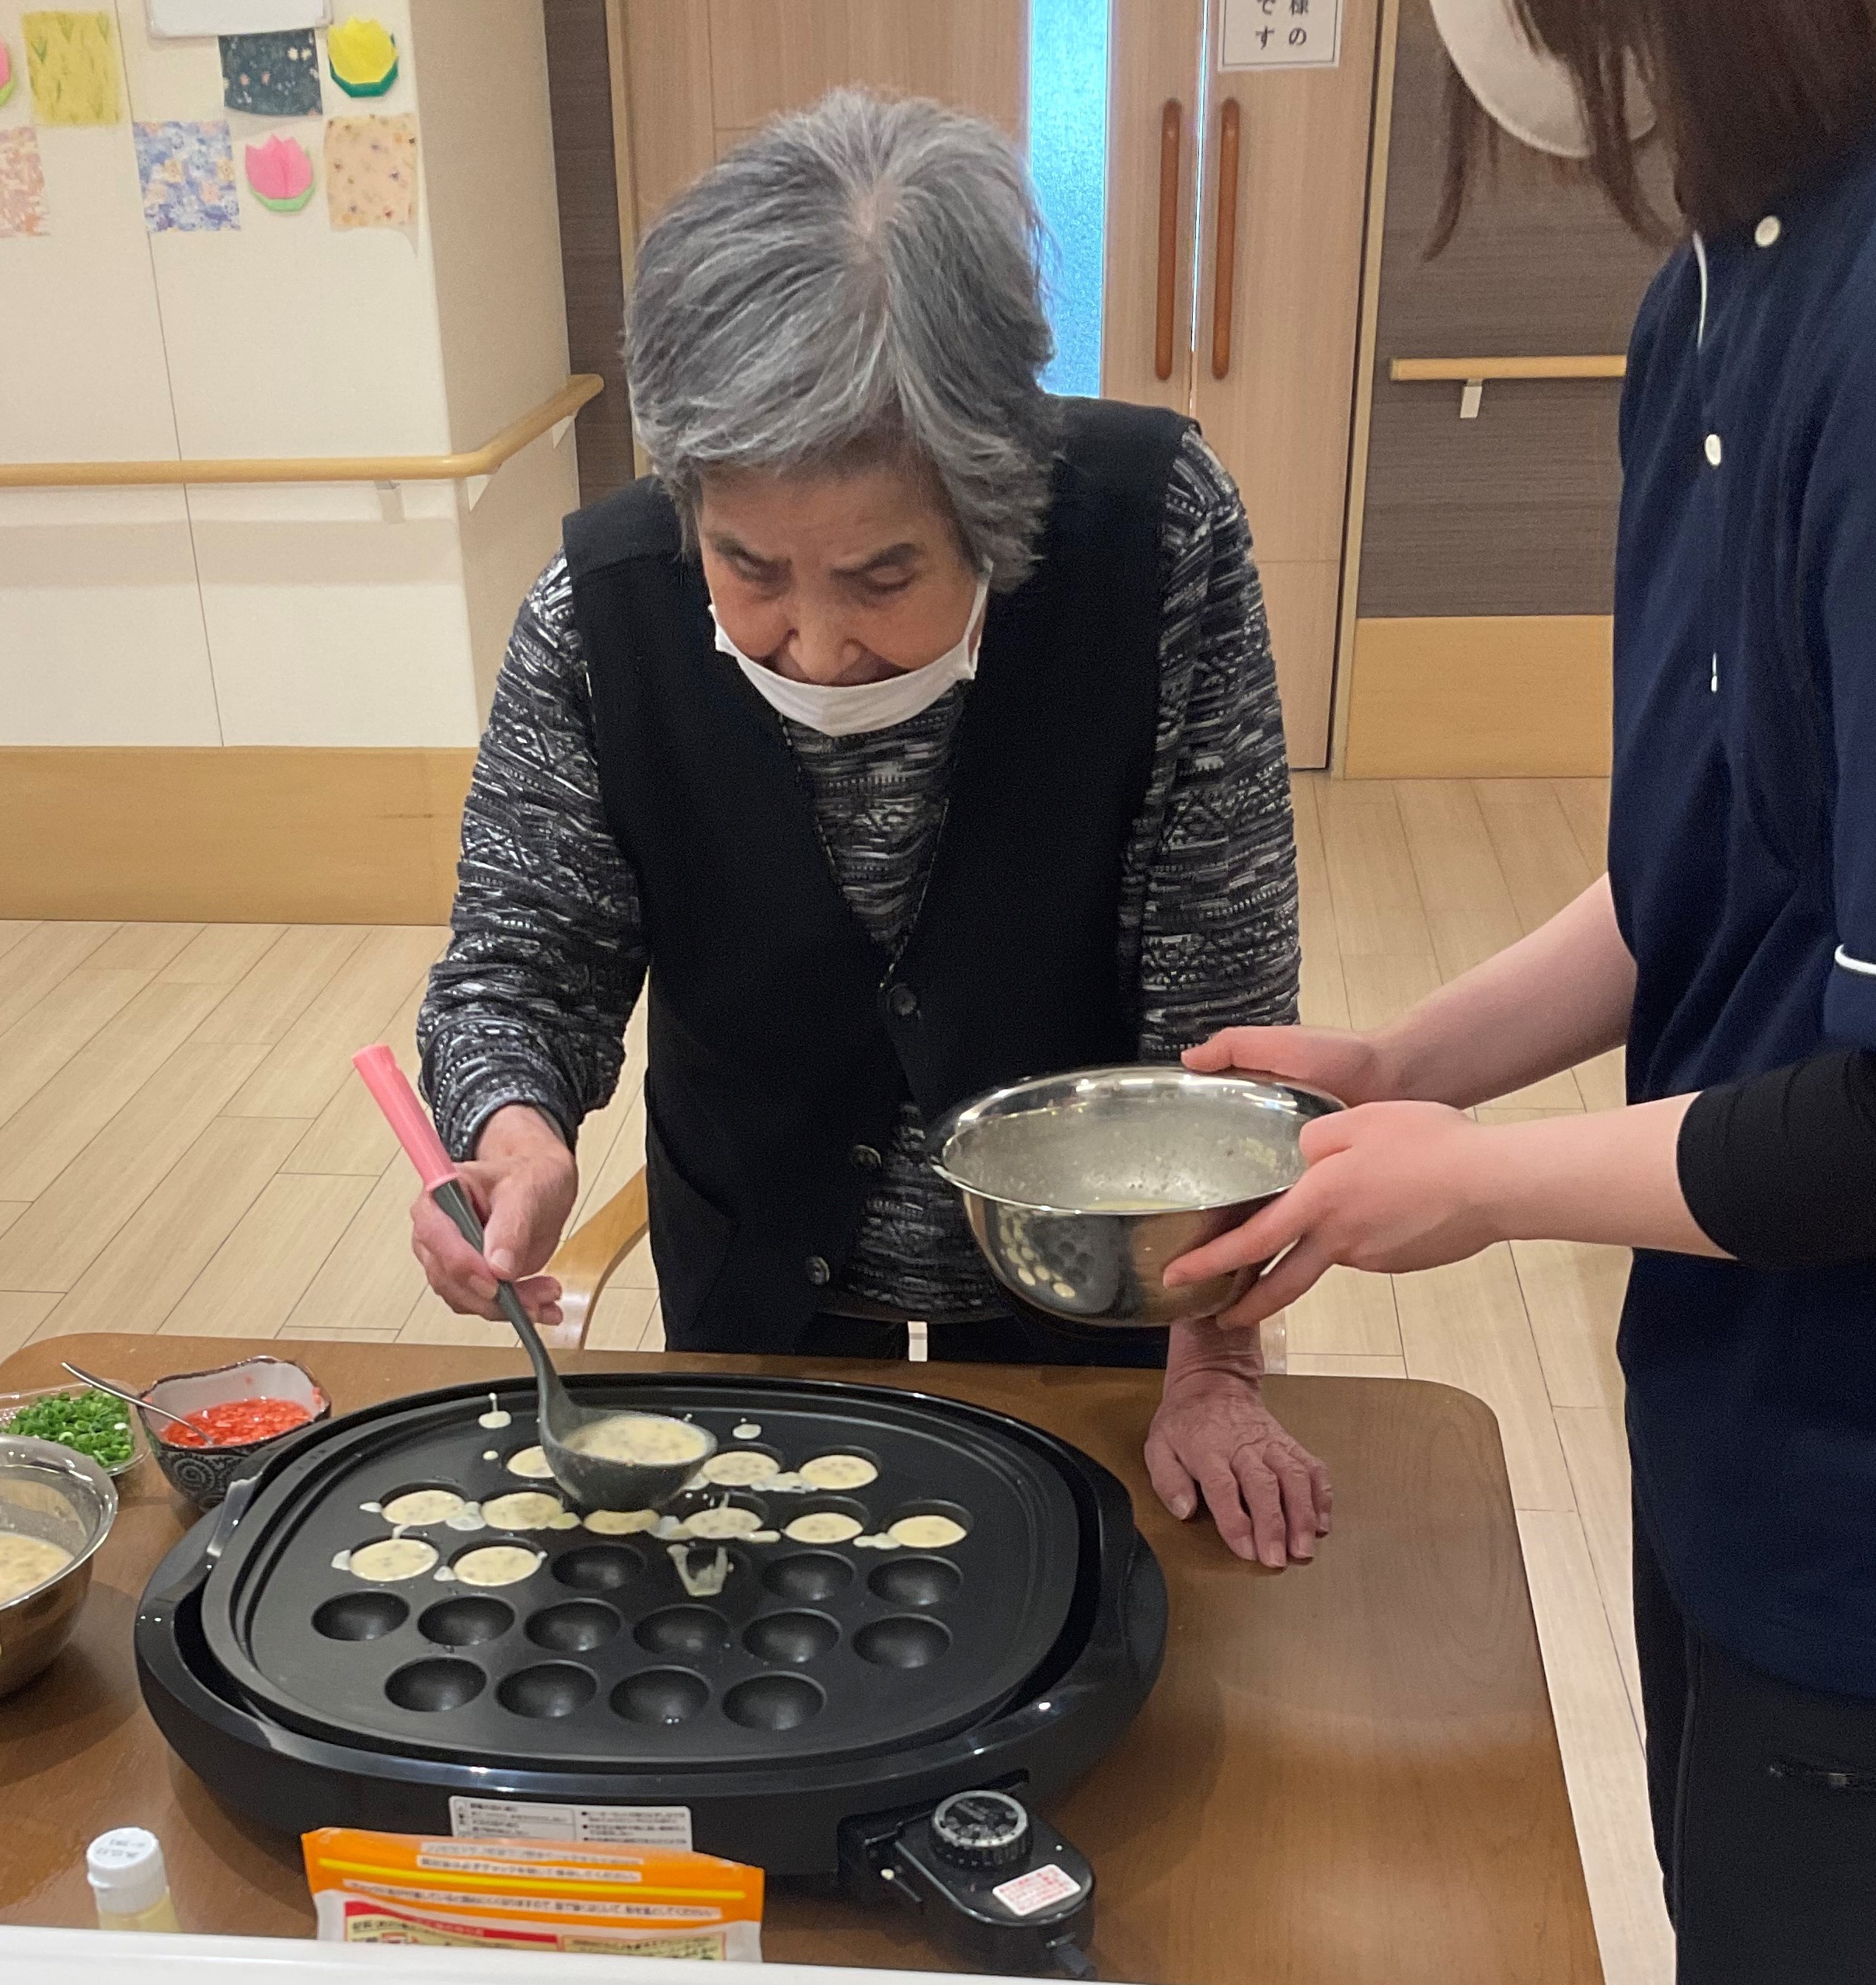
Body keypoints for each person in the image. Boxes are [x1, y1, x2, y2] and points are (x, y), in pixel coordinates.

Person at [1171, 2, 1876, 1976]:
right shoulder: (1713, 288)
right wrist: (1407, 1061)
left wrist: (1489, 1182)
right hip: (1735, 1406)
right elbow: (1723, 865)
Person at [413, 89, 1330, 1568]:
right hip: (758, 1244)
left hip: (1102, 1267)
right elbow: (521, 958)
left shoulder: (1151, 540)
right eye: (748, 565)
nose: (813, 645)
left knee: (1081, 1608)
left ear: (998, 498)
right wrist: (512, 1133)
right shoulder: (603, 609)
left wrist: (1213, 1364)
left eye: (882, 575)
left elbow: (1217, 995)